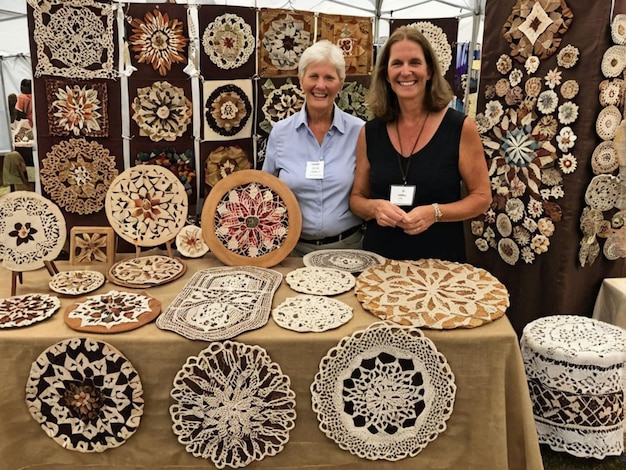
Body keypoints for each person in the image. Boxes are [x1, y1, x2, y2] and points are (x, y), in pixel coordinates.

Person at [349, 26, 491, 262]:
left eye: (414, 62)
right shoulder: (370, 132)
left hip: (440, 265)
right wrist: (373, 208)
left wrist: (435, 212)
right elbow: (357, 198)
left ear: (429, 72)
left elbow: (481, 197)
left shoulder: (459, 128)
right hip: (380, 265)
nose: (406, 71)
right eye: (397, 63)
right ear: (386, 74)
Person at [263, 40, 365, 256]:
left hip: (348, 250)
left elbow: (368, 190)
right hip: (291, 251)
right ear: (301, 81)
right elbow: (266, 193)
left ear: (341, 83)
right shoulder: (280, 133)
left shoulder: (360, 132)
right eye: (313, 76)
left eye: (329, 77)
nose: (321, 85)